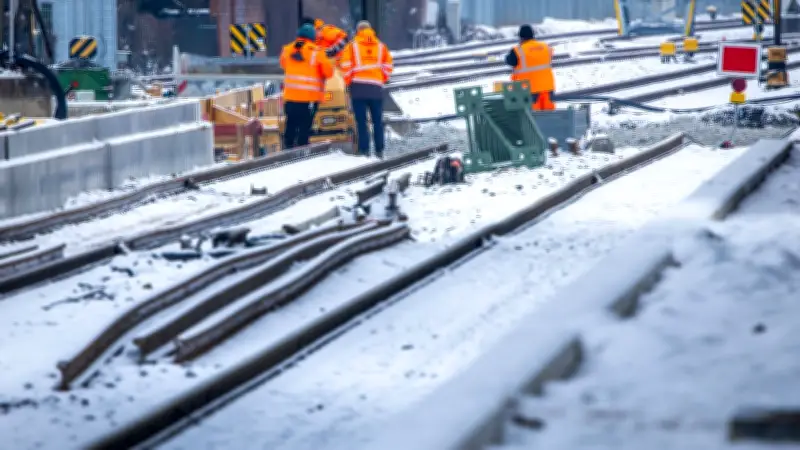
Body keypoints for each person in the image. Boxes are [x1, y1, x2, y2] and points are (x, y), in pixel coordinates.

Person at [338, 20, 394, 158]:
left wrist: (349, 82)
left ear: (358, 31)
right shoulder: (381, 47)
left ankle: (365, 150)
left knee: (361, 122)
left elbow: (345, 67)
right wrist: (381, 79)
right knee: (377, 121)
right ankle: (379, 150)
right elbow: (388, 67)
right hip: (376, 89)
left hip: (358, 90)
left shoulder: (351, 47)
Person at [279, 24, 334, 149]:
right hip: (309, 98)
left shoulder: (287, 49)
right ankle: (302, 150)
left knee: (291, 123)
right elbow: (328, 72)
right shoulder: (316, 52)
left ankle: (287, 149)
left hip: (291, 96)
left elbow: (283, 64)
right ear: (313, 37)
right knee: (305, 126)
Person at [504, 24, 556, 111]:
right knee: (548, 116)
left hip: (528, 90)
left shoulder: (518, 50)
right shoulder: (546, 47)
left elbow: (509, 60)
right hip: (548, 88)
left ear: (521, 37)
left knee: (531, 119)